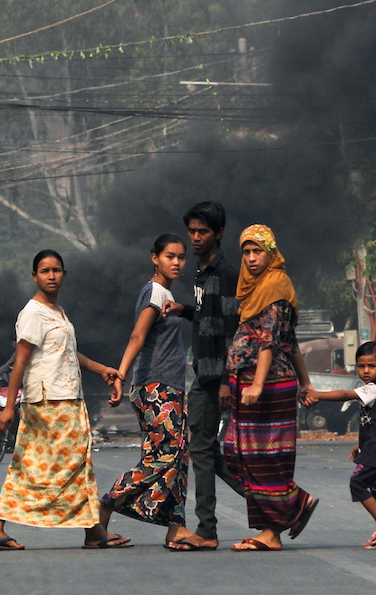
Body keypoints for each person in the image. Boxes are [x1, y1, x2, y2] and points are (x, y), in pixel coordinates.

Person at [0, 250, 130, 551]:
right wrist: (9, 407)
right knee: (41, 467)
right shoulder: (33, 313)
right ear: (34, 276)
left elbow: (68, 354)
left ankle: (93, 530)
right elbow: (20, 362)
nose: (51, 275)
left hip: (68, 398)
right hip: (48, 403)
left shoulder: (57, 312)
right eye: (45, 271)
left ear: (64, 274)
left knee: (76, 465)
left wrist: (102, 370)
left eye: (56, 270)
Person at [224, 224, 318, 551]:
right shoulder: (253, 288)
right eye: (246, 252)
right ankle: (291, 506)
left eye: (257, 251)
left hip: (267, 385)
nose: (251, 258)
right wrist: (307, 383)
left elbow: (270, 342)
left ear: (271, 252)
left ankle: (273, 531)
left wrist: (258, 385)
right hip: (249, 382)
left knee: (264, 458)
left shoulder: (276, 285)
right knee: (239, 452)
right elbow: (292, 344)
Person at [100, 234, 195, 547]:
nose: (177, 262)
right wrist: (121, 375)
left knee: (178, 456)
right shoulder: (155, 291)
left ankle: (176, 527)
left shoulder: (167, 293)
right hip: (155, 387)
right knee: (166, 455)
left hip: (169, 387)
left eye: (181, 257)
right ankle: (107, 503)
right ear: (155, 257)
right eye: (170, 256)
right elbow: (137, 337)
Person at [161, 201, 244, 551]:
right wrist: (184, 310)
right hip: (207, 371)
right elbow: (207, 317)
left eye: (203, 232)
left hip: (215, 376)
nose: (195, 238)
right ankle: (284, 505)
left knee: (202, 449)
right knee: (207, 451)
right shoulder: (202, 272)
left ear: (219, 233)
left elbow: (232, 329)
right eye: (192, 231)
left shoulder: (224, 274)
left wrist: (227, 378)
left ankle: (207, 530)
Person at [304, 341, 376, 549]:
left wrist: (316, 395)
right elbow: (373, 424)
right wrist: (361, 445)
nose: (365, 371)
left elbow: (345, 395)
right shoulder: (373, 390)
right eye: (361, 366)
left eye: (371, 366)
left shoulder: (373, 389)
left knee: (357, 483)